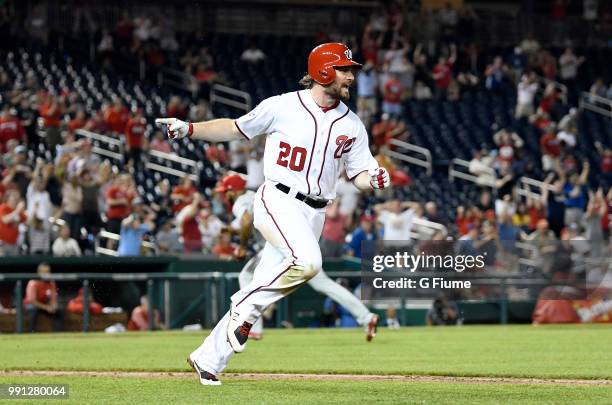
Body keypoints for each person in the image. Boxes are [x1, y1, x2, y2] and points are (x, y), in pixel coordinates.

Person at [156, 43, 391, 385]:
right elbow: (235, 128)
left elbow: (359, 175)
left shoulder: (352, 124)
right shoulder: (282, 106)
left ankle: (207, 359)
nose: (350, 76)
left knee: (266, 279)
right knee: (308, 264)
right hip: (278, 200)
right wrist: (190, 128)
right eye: (343, 69)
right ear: (324, 70)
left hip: (315, 214)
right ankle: (244, 312)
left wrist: (376, 179)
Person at [217, 173, 380, 342]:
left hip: (279, 245)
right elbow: (248, 222)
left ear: (232, 191)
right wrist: (233, 231)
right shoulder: (257, 194)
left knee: (248, 276)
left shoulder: (241, 200)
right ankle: (366, 316)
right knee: (325, 284)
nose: (224, 196)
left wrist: (242, 247)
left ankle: (253, 328)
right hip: (299, 241)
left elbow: (245, 219)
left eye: (225, 191)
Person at [23, 263, 63, 332]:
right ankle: (31, 332)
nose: (46, 274)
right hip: (31, 305)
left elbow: (53, 298)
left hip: (44, 304)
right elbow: (32, 301)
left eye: (48, 272)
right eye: (44, 272)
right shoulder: (33, 282)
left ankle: (58, 333)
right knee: (33, 311)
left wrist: (54, 306)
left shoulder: (51, 282)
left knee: (59, 311)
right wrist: (46, 307)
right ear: (39, 272)